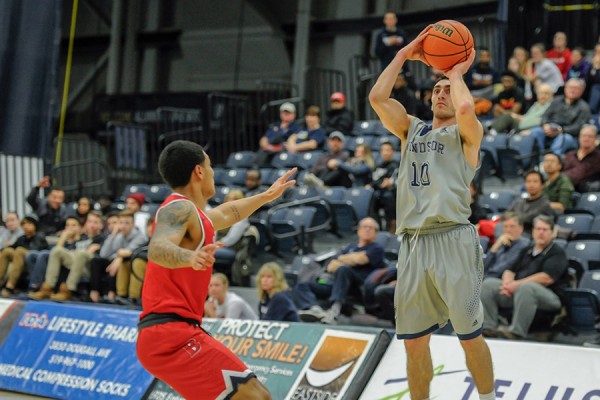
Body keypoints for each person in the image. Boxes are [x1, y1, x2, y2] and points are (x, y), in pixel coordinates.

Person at [369, 25, 495, 400]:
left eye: (447, 90)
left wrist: (455, 73)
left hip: (453, 239)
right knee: (412, 343)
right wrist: (403, 53)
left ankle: (489, 398)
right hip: (412, 244)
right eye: (436, 89)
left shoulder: (467, 134)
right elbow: (378, 96)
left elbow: (467, 107)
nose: (441, 92)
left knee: (469, 338)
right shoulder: (411, 130)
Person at [137, 140, 294, 400]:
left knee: (255, 395)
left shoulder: (198, 216)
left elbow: (228, 213)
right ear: (199, 171)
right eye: (210, 167)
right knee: (256, 397)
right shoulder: (178, 207)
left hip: (172, 333)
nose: (212, 173)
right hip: (170, 334)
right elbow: (157, 248)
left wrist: (266, 196)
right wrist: (191, 256)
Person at [481, 215, 569, 339]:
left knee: (527, 287)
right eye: (538, 229)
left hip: (550, 297)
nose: (541, 233)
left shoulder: (557, 252)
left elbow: (546, 278)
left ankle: (516, 332)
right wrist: (507, 284)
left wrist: (515, 285)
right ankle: (488, 327)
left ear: (552, 233)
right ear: (533, 231)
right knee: (489, 284)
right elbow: (510, 270)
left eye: (545, 230)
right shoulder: (527, 250)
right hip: (520, 293)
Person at [294, 217, 386, 324]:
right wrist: (352, 259)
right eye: (364, 227)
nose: (367, 230)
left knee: (343, 269)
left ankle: (334, 310)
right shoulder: (350, 247)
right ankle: (314, 309)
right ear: (358, 230)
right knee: (303, 285)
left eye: (371, 228)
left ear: (376, 233)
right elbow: (331, 266)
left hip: (359, 286)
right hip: (338, 284)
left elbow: (361, 259)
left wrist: (343, 259)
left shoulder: (376, 248)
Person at [28, 211, 106, 301]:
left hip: (87, 269)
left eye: (95, 222)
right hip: (75, 264)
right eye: (90, 221)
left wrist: (77, 252)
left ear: (101, 225)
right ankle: (48, 287)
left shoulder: (101, 238)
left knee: (81, 253)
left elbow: (88, 254)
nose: (92, 225)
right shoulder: (82, 237)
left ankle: (68, 289)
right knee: (57, 251)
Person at [89, 210, 146, 303]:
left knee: (117, 263)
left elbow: (128, 251)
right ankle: (94, 294)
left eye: (127, 223)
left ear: (133, 224)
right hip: (118, 260)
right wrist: (113, 234)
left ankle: (115, 295)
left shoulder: (140, 236)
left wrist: (118, 258)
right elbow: (104, 254)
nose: (123, 226)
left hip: (134, 261)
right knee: (96, 260)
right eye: (121, 223)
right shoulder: (120, 236)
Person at [528, 78, 590, 156]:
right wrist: (545, 125)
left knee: (563, 138)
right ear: (565, 88)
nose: (572, 90)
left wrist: (561, 130)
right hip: (550, 129)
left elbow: (578, 127)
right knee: (535, 131)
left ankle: (553, 159)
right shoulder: (556, 101)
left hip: (569, 135)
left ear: (581, 91)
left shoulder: (584, 107)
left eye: (576, 88)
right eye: (570, 87)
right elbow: (545, 116)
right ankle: (538, 157)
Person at [26, 215, 83, 294]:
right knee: (31, 255)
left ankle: (37, 287)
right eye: (67, 225)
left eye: (74, 225)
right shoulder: (64, 241)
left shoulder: (81, 241)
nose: (70, 228)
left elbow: (57, 252)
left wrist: (63, 237)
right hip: (55, 263)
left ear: (80, 228)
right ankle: (36, 284)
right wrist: (63, 239)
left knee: (44, 254)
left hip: (68, 265)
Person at [213, 190, 258, 286]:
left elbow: (231, 239)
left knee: (205, 251)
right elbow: (214, 232)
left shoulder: (242, 217)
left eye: (234, 199)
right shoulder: (220, 214)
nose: (230, 201)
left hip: (232, 247)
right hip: (218, 245)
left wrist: (215, 245)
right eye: (228, 199)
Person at [0, 215, 48, 297]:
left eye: (29, 224)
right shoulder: (22, 238)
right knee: (7, 251)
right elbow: (12, 247)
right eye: (24, 224)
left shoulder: (39, 236)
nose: (26, 226)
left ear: (35, 225)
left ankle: (10, 286)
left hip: (34, 262)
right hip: (19, 261)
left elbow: (35, 252)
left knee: (19, 250)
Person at [483, 212, 529, 279]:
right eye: (505, 226)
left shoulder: (524, 246)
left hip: (500, 281)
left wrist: (483, 277)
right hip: (488, 278)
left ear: (521, 228)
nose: (508, 230)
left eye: (512, 226)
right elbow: (484, 266)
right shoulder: (502, 242)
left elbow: (503, 269)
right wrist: (495, 246)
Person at [255, 102, 300, 167]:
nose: (286, 114)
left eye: (288, 113)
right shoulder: (274, 125)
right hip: (268, 149)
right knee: (261, 151)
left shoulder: (297, 127)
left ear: (294, 114)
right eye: (284, 112)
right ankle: (257, 168)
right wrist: (265, 145)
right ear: (280, 113)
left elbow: (293, 140)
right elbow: (264, 138)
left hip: (282, 150)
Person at [371, 141, 399, 232]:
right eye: (383, 150)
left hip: (393, 192)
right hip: (380, 192)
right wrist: (381, 182)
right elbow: (375, 181)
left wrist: (382, 182)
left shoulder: (396, 165)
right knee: (374, 195)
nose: (385, 152)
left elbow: (390, 181)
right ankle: (375, 224)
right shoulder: (379, 166)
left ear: (393, 152)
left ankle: (393, 223)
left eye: (387, 150)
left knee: (388, 196)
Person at [562, 124, 600, 192]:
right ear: (579, 138)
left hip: (587, 192)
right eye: (583, 136)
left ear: (596, 139)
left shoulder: (598, 157)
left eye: (590, 136)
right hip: (564, 189)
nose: (586, 139)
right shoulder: (569, 155)